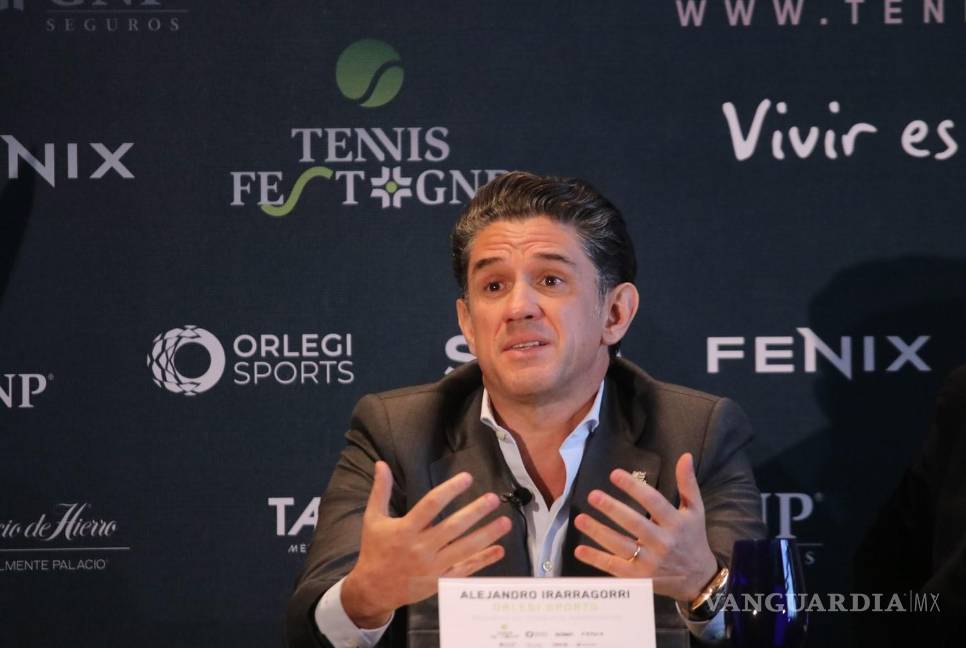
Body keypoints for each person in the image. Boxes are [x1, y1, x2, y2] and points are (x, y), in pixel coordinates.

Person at [286, 171, 766, 648]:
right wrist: (366, 597)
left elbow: (766, 629)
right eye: (494, 286)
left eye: (550, 280)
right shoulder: (395, 433)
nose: (518, 307)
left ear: (615, 313)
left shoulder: (696, 435)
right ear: (467, 322)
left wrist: (703, 585)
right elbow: (307, 634)